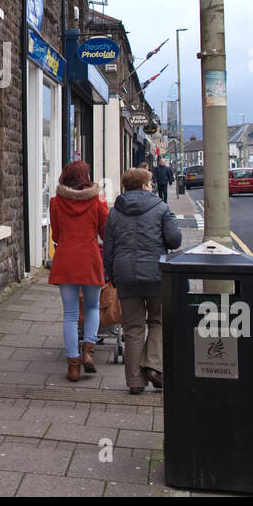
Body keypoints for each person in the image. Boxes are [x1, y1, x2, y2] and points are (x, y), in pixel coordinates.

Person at [104, 166, 182, 394]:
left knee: (132, 328)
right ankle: (153, 366)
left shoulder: (115, 212)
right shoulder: (161, 208)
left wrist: (114, 276)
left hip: (125, 275)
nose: (151, 186)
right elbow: (175, 240)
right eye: (149, 183)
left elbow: (108, 249)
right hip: (156, 274)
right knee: (158, 321)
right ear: (143, 185)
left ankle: (135, 382)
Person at [48, 160, 108, 382]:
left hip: (65, 259)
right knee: (93, 306)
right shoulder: (96, 201)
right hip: (90, 258)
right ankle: (88, 352)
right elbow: (105, 230)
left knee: (71, 315)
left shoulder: (56, 202)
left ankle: (73, 366)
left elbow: (55, 234)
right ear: (86, 176)